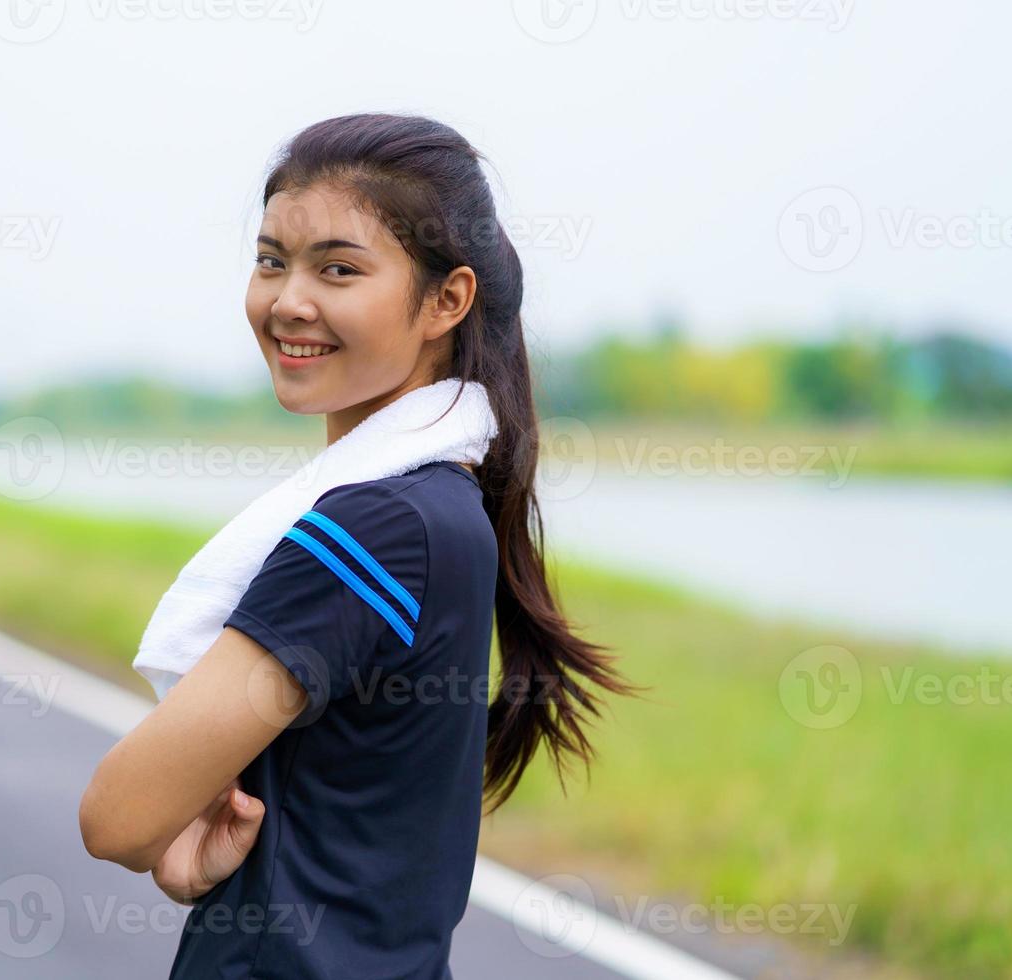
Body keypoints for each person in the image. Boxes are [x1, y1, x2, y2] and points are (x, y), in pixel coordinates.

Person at [78, 111, 634, 979]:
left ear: (447, 301)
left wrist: (163, 828)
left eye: (338, 268)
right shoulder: (444, 506)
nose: (288, 300)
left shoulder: (371, 532)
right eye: (271, 261)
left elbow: (115, 817)